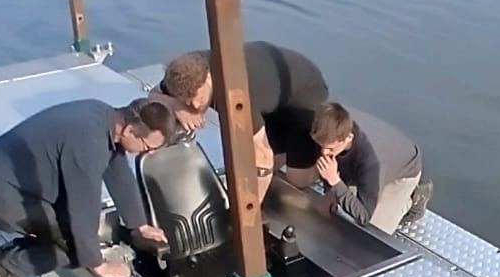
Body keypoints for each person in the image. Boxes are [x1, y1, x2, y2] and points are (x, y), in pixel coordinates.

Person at [0, 96, 174, 277]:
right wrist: (99, 265)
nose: (145, 153)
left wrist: (140, 225)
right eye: (147, 147)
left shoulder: (104, 118)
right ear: (130, 131)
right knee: (75, 248)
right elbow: (82, 208)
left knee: (70, 235)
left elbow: (119, 173)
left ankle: (0, 258)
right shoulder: (88, 142)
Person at [156, 42, 328, 198]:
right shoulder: (182, 74)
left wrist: (250, 209)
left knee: (297, 178)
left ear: (208, 78)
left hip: (303, 92)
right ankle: (285, 151)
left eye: (197, 97)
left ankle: (329, 154)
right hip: (268, 91)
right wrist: (177, 107)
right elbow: (154, 94)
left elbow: (263, 157)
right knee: (260, 162)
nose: (194, 105)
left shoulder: (235, 96)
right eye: (186, 100)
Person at [282, 101, 425, 232]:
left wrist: (335, 182)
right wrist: (330, 193)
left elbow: (364, 216)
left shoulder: (370, 162)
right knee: (345, 195)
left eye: (330, 149)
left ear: (348, 138)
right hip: (376, 151)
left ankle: (414, 200)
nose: (324, 153)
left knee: (373, 232)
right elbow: (332, 163)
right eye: (321, 146)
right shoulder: (330, 125)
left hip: (404, 167)